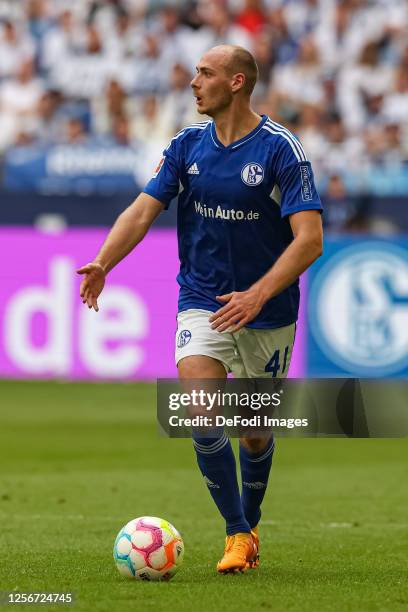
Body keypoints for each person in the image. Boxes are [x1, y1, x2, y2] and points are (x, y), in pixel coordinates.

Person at [77, 44, 323, 574]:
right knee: (202, 411)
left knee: (255, 433)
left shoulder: (283, 149)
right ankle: (236, 532)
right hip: (202, 301)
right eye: (194, 72)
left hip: (268, 310)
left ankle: (248, 525)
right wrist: (103, 262)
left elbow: (309, 241)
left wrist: (257, 293)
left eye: (205, 73)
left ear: (236, 82)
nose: (194, 82)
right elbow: (143, 211)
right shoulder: (187, 144)